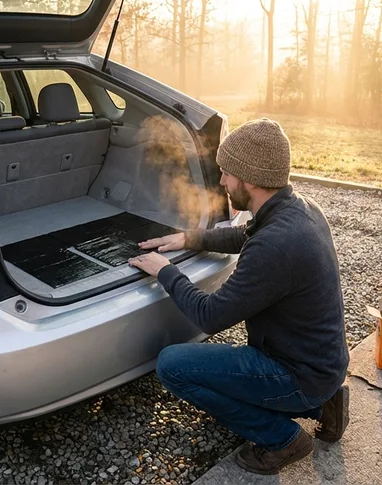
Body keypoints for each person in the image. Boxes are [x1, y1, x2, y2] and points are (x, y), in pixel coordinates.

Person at [128, 118, 349, 475]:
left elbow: (210, 316)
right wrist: (190, 238)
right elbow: (247, 234)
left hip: (297, 374)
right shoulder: (299, 208)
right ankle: (323, 405)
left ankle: (283, 439)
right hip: (322, 366)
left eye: (227, 173)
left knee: (172, 366)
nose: (221, 182)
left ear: (250, 180)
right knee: (214, 371)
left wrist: (165, 271)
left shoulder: (276, 246)